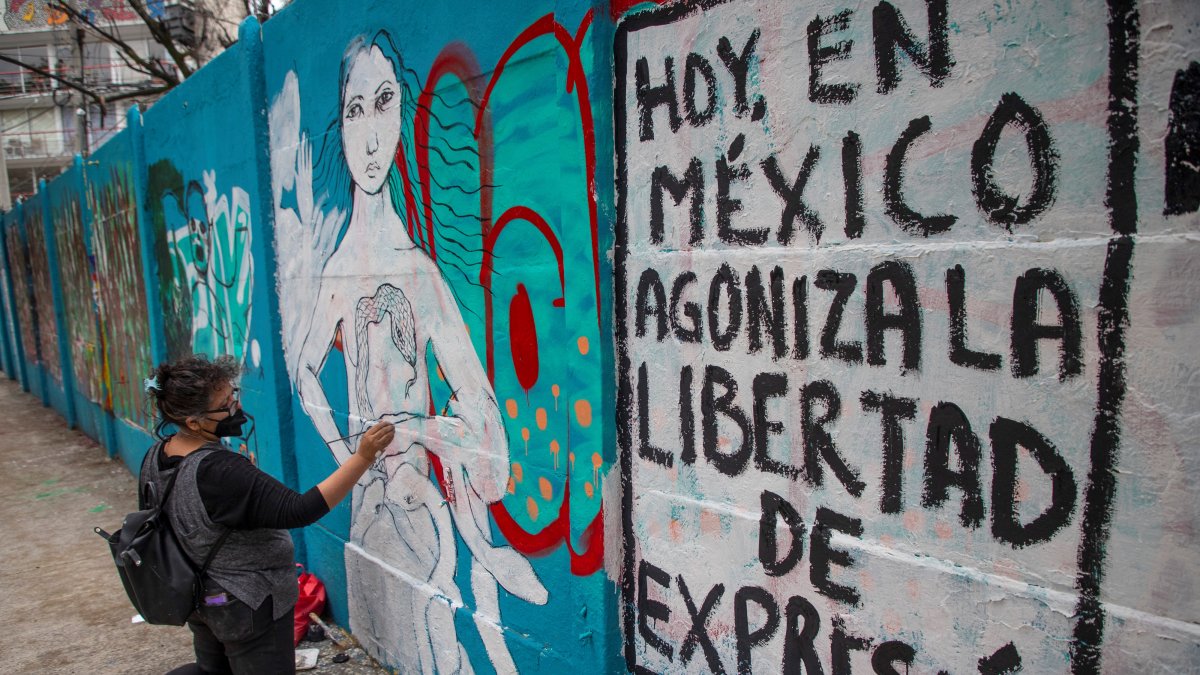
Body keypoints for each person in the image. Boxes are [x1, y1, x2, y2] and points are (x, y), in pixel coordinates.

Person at [282, 30, 546, 673]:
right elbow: (303, 375)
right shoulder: (336, 273)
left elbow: (490, 432)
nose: (370, 136)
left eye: (384, 104)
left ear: (403, 117)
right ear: (337, 126)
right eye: (353, 110)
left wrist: (415, 431)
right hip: (366, 528)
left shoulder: (420, 275)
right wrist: (354, 460)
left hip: (418, 520)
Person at [144, 354, 394, 674]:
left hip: (205, 601)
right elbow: (299, 510)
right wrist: (363, 457)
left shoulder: (158, 454)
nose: (235, 405)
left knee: (214, 669)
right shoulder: (218, 471)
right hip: (245, 604)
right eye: (225, 403)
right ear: (193, 421)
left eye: (232, 394)